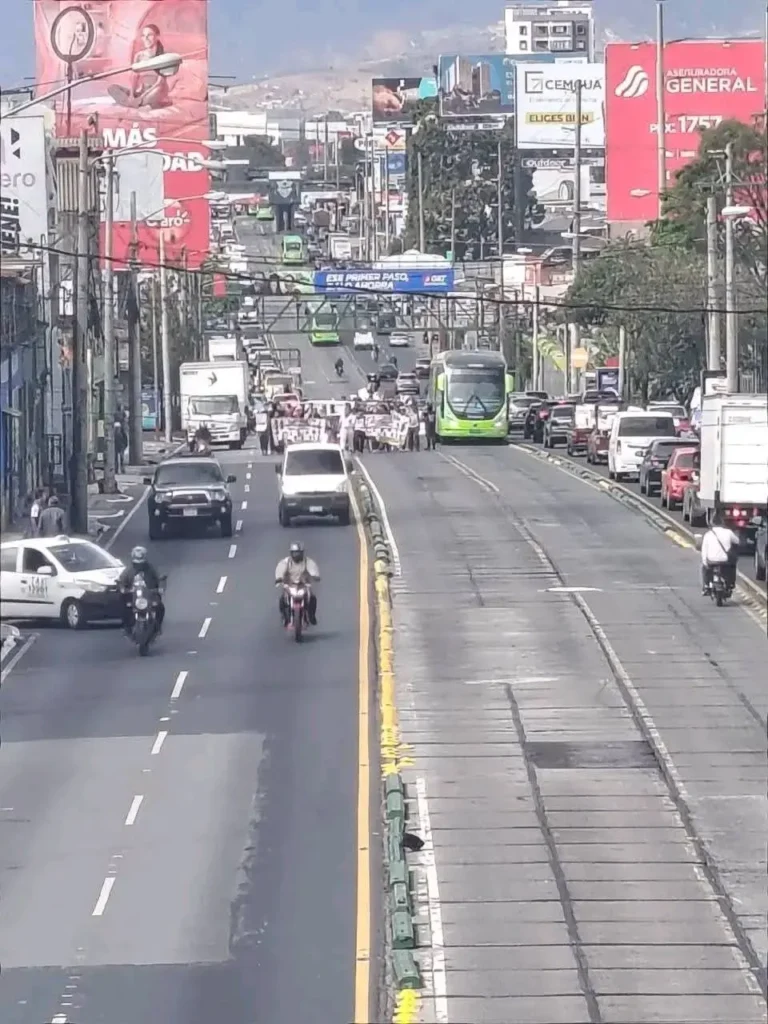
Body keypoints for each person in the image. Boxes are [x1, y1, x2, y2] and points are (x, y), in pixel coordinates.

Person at [118, 545, 165, 634]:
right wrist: (123, 588)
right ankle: (127, 627)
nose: (139, 565)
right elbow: (122, 580)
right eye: (137, 563)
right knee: (123, 608)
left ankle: (158, 627)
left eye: (141, 563)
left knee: (160, 608)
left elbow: (159, 577)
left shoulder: (151, 569)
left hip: (149, 595)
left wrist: (160, 588)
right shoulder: (128, 570)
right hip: (133, 596)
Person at [274, 541, 320, 625]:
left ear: (302, 553)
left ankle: (311, 615)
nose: (297, 555)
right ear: (291, 553)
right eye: (295, 553)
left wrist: (315, 575)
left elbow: (313, 569)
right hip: (289, 585)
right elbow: (280, 569)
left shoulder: (307, 561)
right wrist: (279, 578)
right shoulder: (286, 562)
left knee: (312, 599)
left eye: (299, 553)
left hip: (304, 585)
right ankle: (284, 616)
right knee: (282, 600)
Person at [700, 514, 740, 595]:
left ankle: (706, 586)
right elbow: (737, 541)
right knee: (732, 567)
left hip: (711, 560)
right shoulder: (728, 532)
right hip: (725, 560)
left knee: (704, 569)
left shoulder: (708, 534)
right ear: (722, 523)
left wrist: (705, 562)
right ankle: (731, 583)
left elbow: (704, 550)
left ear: (712, 523)